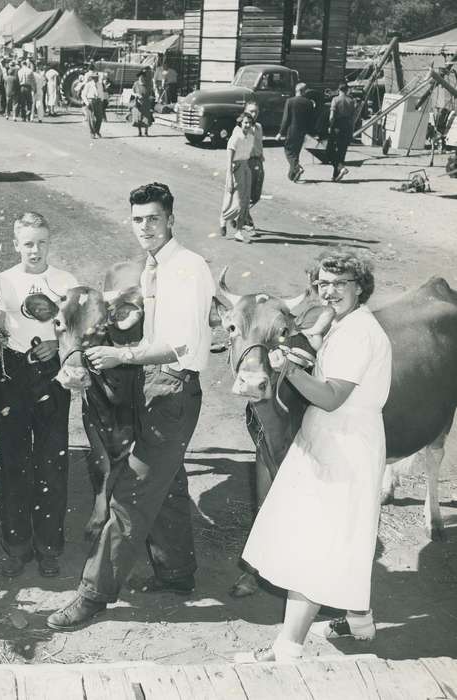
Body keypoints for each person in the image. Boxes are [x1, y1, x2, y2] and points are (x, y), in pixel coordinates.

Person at [47, 183, 216, 630]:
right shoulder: (152, 268)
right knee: (170, 485)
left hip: (173, 389)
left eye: (154, 218)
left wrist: (123, 355)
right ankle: (177, 575)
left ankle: (92, 595)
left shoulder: (188, 268)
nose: (145, 226)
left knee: (131, 496)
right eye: (138, 219)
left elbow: (179, 343)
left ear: (170, 219)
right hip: (152, 385)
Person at [236, 250, 392, 662]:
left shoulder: (359, 332)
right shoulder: (345, 321)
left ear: (360, 287)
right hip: (332, 439)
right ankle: (359, 620)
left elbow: (332, 396)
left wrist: (289, 369)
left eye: (340, 283)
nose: (330, 291)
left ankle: (287, 649)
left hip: (343, 441)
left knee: (312, 540)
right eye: (323, 283)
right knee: (343, 535)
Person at [0, 212, 78, 579]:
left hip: (52, 376)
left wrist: (57, 344)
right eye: (28, 243)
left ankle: (49, 549)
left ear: (50, 242)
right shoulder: (2, 281)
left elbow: (77, 328)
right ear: (16, 245)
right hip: (12, 374)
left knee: (51, 464)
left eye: (42, 242)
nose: (35, 250)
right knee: (12, 462)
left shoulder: (65, 281)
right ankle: (17, 547)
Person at [219, 112, 256, 241]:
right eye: (245, 122)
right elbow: (229, 160)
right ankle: (225, 219)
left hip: (246, 167)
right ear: (240, 123)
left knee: (246, 200)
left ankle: (238, 229)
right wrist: (229, 178)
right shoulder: (235, 138)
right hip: (236, 168)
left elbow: (249, 154)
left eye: (250, 123)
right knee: (237, 200)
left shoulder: (251, 137)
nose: (247, 125)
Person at [278, 82, 315, 182]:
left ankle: (297, 168)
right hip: (302, 131)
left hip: (292, 130)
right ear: (304, 91)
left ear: (296, 90)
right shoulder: (309, 103)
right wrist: (311, 132)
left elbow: (286, 119)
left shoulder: (290, 101)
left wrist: (280, 132)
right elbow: (311, 119)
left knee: (289, 151)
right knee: (296, 153)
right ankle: (292, 175)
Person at [244, 100, 265, 233]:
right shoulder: (243, 127)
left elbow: (259, 143)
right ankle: (247, 220)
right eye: (251, 111)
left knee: (256, 195)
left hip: (258, 162)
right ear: (246, 111)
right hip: (246, 162)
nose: (254, 113)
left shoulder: (259, 127)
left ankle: (239, 214)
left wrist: (261, 155)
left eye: (256, 111)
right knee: (246, 194)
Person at [328, 82, 355, 182]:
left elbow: (331, 116)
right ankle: (336, 175)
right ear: (347, 90)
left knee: (330, 150)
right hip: (347, 126)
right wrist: (351, 130)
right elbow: (353, 118)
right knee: (341, 152)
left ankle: (341, 168)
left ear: (338, 90)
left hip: (337, 126)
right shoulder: (351, 101)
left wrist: (330, 126)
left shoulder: (335, 99)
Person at [81, 73, 105, 138]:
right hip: (91, 101)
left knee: (99, 118)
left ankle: (97, 131)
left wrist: (102, 100)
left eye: (97, 77)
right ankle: (92, 132)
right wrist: (87, 103)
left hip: (98, 101)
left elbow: (101, 92)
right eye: (94, 77)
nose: (95, 79)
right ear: (92, 78)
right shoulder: (88, 85)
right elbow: (83, 95)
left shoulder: (100, 84)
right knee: (91, 119)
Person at [130, 70, 154, 137]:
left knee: (146, 117)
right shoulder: (136, 84)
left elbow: (151, 93)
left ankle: (146, 132)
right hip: (138, 103)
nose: (141, 78)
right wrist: (137, 95)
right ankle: (140, 132)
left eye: (143, 77)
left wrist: (150, 97)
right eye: (140, 77)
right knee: (139, 118)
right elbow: (132, 92)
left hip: (146, 102)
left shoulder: (148, 84)